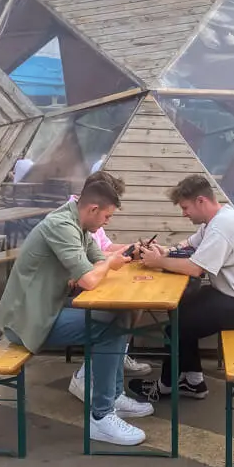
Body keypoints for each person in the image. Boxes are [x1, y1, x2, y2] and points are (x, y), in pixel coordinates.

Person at [0, 180, 152, 447]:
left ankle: (113, 396)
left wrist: (110, 261)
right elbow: (89, 279)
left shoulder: (77, 224)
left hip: (44, 307)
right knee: (109, 327)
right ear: (92, 208)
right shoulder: (62, 226)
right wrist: (109, 264)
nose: (107, 222)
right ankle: (101, 417)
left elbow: (96, 259)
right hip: (25, 320)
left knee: (120, 316)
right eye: (106, 216)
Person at [128, 174, 234, 402]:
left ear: (201, 201)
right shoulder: (217, 220)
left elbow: (195, 269)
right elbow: (189, 244)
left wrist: (159, 262)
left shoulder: (222, 228)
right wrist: (164, 251)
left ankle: (165, 386)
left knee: (177, 326)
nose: (184, 213)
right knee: (182, 307)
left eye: (186, 208)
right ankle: (193, 381)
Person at [65, 171, 152, 402]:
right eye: (108, 215)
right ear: (96, 203)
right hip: (67, 295)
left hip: (82, 284)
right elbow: (87, 268)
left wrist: (131, 249)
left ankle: (113, 385)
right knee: (114, 319)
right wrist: (113, 260)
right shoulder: (67, 223)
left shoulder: (84, 220)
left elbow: (102, 250)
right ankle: (92, 382)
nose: (108, 220)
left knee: (130, 306)